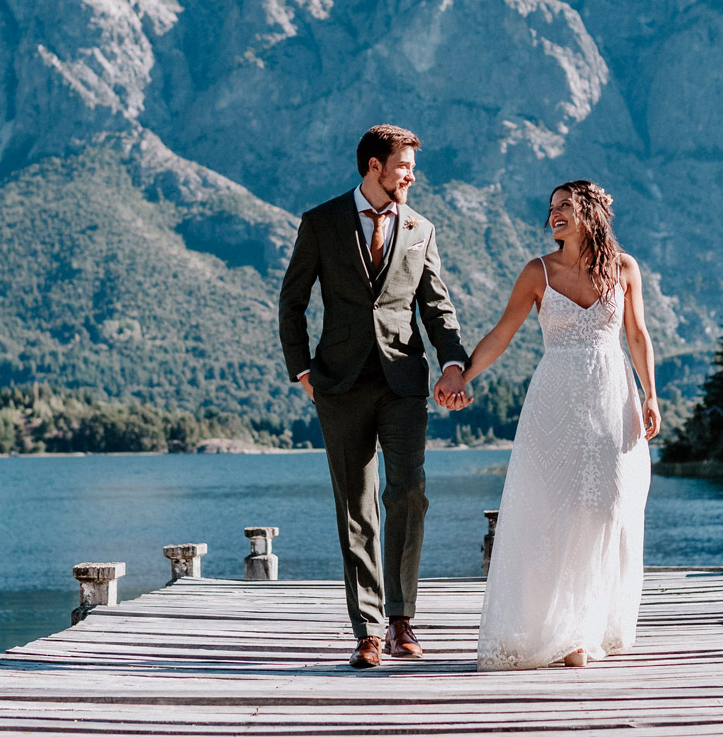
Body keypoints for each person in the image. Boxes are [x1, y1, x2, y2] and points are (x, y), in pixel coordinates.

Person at [277, 124, 472, 669]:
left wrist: (453, 362)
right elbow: (291, 302)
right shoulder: (321, 222)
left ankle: (402, 618)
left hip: (403, 383)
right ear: (373, 166)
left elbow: (437, 307)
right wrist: (302, 372)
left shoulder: (420, 228)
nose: (411, 176)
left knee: (409, 493)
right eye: (403, 166)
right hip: (337, 385)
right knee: (355, 508)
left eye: (411, 167)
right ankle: (366, 629)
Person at [461, 179, 660, 670]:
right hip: (554, 402)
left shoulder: (625, 268)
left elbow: (637, 335)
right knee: (556, 509)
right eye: (551, 208)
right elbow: (502, 333)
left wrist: (651, 394)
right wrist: (463, 374)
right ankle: (565, 635)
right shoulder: (537, 272)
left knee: (608, 506)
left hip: (613, 397)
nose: (555, 214)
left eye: (565, 206)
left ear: (590, 211)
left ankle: (591, 622)